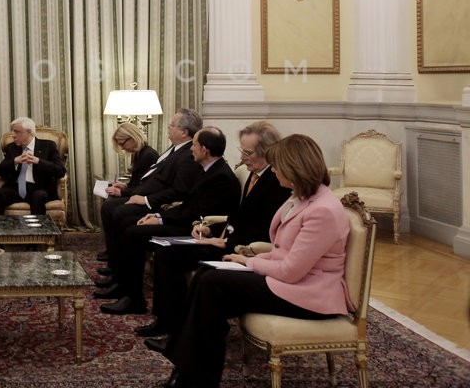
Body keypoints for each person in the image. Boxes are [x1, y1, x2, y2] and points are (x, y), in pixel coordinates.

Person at [159, 134, 352, 388]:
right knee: (206, 277)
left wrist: (248, 262)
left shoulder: (322, 210)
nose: (273, 170)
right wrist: (251, 257)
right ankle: (191, 373)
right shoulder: (301, 197)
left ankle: (190, 376)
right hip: (292, 282)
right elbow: (284, 252)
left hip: (308, 295)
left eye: (277, 165)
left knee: (212, 284)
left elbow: (291, 270)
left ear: (294, 168)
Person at [136, 121, 290, 348]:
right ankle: (170, 322)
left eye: (247, 152)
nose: (243, 157)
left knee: (172, 258)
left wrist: (226, 241)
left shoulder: (276, 183)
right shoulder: (255, 174)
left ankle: (176, 329)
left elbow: (264, 228)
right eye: (242, 151)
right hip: (227, 239)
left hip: (244, 249)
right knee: (165, 251)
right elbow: (240, 217)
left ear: (267, 153)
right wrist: (210, 229)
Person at [97, 127, 241, 315]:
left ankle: (134, 299)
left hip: (199, 231)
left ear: (204, 150)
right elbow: (189, 207)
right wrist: (157, 217)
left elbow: (194, 212)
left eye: (195, 145)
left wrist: (160, 218)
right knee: (132, 228)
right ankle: (128, 291)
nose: (191, 149)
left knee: (133, 232)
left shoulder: (219, 176)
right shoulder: (208, 169)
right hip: (190, 223)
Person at [97, 109, 203, 264]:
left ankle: (119, 269)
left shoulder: (186, 155)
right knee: (112, 208)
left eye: (172, 125)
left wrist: (145, 199)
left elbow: (177, 190)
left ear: (184, 132)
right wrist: (129, 191)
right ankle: (116, 267)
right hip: (146, 195)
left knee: (118, 211)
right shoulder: (174, 149)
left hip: (159, 204)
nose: (168, 127)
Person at [0, 117, 67, 216]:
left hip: (39, 189)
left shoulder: (48, 146)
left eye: (17, 131)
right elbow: (0, 170)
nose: (13, 135)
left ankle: (38, 230)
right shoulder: (12, 147)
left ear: (29, 132)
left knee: (38, 196)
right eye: (12, 131)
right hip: (15, 189)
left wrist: (38, 161)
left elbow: (60, 171)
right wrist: (14, 161)